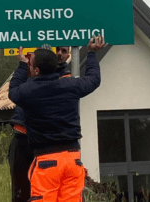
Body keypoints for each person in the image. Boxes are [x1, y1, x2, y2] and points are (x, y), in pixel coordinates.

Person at [9, 36, 107, 201]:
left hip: (47, 160)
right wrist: (91, 54)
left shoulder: (29, 91)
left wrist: (21, 65)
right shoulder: (71, 85)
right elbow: (94, 80)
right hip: (72, 159)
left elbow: (13, 90)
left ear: (36, 71)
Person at [7, 45, 71, 202]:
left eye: (64, 51)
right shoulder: (31, 68)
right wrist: (25, 64)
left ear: (69, 54)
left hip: (46, 143)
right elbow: (15, 88)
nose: (59, 54)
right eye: (57, 50)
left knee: (45, 192)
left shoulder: (66, 77)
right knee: (20, 192)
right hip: (22, 139)